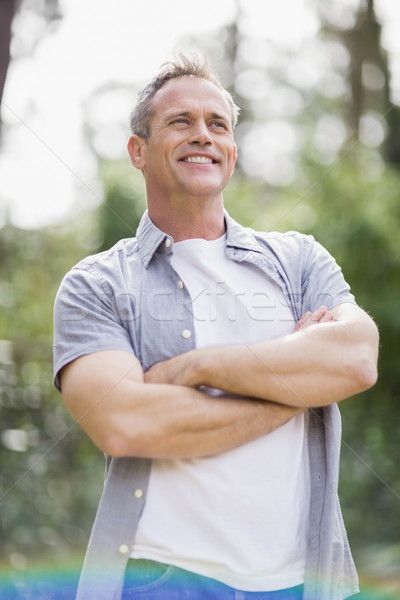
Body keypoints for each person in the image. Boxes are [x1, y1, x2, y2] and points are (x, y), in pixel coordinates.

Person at [53, 54, 379, 600]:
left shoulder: (298, 260)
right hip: (160, 582)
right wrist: (302, 384)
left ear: (232, 151)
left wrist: (196, 368)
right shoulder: (97, 284)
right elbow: (127, 424)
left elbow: (355, 360)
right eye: (180, 121)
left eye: (217, 124)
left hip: (304, 582)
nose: (202, 134)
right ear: (138, 150)